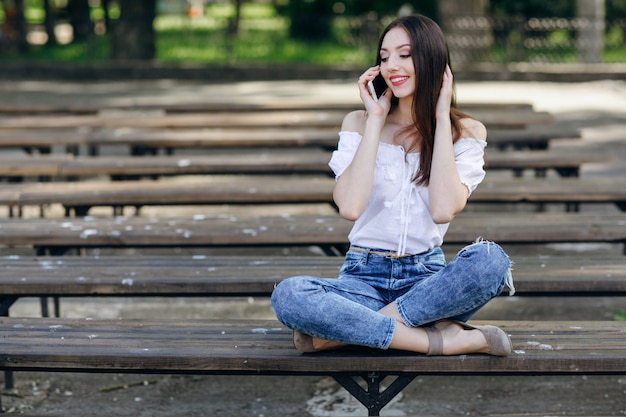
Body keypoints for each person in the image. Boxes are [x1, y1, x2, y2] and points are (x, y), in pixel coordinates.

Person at [271, 14, 515, 356]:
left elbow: (443, 209)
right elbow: (350, 207)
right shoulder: (358, 122)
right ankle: (440, 341)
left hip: (426, 281)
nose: (391, 66)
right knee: (289, 294)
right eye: (384, 57)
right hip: (361, 278)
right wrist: (375, 120)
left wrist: (442, 118)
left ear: (433, 59)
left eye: (405, 54)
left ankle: (337, 335)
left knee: (491, 260)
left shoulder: (467, 131)